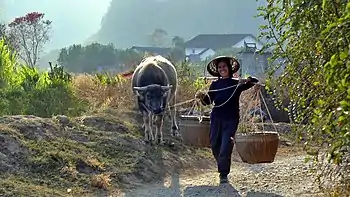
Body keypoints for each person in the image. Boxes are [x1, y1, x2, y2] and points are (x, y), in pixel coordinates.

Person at [195, 56, 259, 184]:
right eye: (219, 67)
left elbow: (254, 82)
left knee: (226, 145)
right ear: (217, 70)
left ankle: (223, 173)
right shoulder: (215, 85)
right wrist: (202, 96)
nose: (222, 69)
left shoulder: (236, 83)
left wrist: (248, 80)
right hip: (216, 117)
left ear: (229, 68)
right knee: (214, 144)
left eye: (224, 66)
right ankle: (222, 164)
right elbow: (208, 101)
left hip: (231, 119)